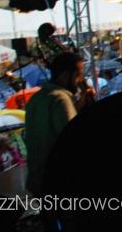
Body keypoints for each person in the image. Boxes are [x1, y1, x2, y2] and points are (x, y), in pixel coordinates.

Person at [26, 51, 94, 195]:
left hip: (37, 179)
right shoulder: (61, 100)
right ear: (64, 76)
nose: (80, 80)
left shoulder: (37, 98)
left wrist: (81, 102)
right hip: (57, 181)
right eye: (78, 75)